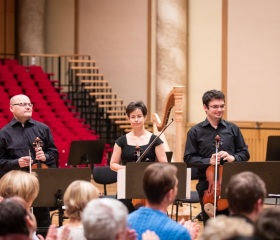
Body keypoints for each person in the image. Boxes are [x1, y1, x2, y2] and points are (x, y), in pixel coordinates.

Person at [183, 89, 250, 224]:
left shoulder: (233, 129)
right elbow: (188, 158)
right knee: (211, 226)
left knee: (232, 227)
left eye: (222, 106)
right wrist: (209, 160)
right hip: (207, 186)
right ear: (205, 108)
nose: (219, 110)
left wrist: (233, 158)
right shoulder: (195, 132)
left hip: (231, 185)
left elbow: (245, 153)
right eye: (215, 107)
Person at [0, 94, 59, 229]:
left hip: (39, 184)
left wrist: (45, 157)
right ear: (11, 108)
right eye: (22, 104)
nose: (27, 106)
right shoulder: (4, 133)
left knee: (42, 223)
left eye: (29, 104)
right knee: (16, 224)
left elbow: (54, 152)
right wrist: (16, 163)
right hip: (16, 186)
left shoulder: (43, 128)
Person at [110, 101, 167, 212]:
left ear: (145, 117)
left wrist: (149, 169)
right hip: (127, 184)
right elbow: (113, 165)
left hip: (149, 185)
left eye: (139, 116)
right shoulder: (121, 141)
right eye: (133, 117)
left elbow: (164, 164)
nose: (136, 120)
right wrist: (129, 169)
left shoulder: (155, 140)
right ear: (128, 118)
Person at [128, 163, 199, 240]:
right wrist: (187, 237)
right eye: (176, 186)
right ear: (170, 194)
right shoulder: (180, 233)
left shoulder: (124, 223)